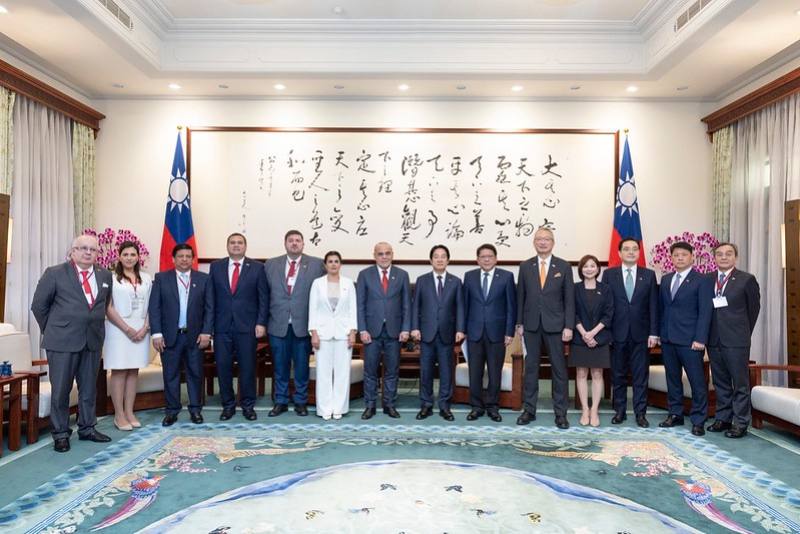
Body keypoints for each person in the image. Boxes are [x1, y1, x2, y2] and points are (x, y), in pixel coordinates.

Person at [30, 235, 113, 452]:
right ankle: (60, 434)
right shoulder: (55, 273)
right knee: (61, 390)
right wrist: (54, 330)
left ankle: (87, 428)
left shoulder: (105, 275)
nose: (88, 253)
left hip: (92, 340)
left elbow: (102, 306)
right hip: (62, 341)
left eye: (93, 250)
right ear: (73, 252)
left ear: (97, 254)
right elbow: (39, 306)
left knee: (88, 388)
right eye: (83, 248)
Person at [515, 227, 574, 429]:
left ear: (553, 242)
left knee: (559, 371)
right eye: (539, 239)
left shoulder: (564, 266)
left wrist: (569, 326)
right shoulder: (525, 266)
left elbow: (569, 300)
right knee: (531, 369)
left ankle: (561, 413)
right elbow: (520, 297)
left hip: (556, 326)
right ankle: (529, 410)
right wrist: (519, 323)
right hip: (531, 326)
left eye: (546, 239)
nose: (542, 242)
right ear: (534, 242)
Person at [149, 244, 214, 426]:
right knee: (170, 374)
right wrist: (156, 334)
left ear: (193, 259)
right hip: (170, 336)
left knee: (195, 373)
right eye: (180, 256)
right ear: (173, 259)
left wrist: (206, 332)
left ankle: (195, 410)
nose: (184, 259)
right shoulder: (162, 278)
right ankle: (172, 411)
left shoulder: (203, 279)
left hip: (195, 336)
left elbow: (210, 308)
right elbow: (155, 308)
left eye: (188, 256)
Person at [264, 230, 326, 417]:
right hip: (277, 323)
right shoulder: (271, 264)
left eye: (298, 240)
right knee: (280, 366)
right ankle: (280, 401)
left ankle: (300, 401)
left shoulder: (316, 264)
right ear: (285, 243)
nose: (294, 243)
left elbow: (322, 294)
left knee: (301, 366)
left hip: (303, 325)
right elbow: (264, 294)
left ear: (303, 244)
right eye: (290, 240)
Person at [209, 233, 268, 421]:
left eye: (239, 243)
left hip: (247, 327)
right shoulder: (216, 267)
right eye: (232, 243)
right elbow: (211, 299)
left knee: (247, 367)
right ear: (227, 246)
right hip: (222, 327)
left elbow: (263, 299)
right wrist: (209, 327)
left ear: (245, 246)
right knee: (223, 367)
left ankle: (248, 406)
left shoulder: (258, 268)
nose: (236, 246)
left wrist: (261, 323)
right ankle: (228, 405)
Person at [705, 243, 761, 438]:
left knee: (740, 383)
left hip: (736, 340)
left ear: (735, 257)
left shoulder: (746, 280)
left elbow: (753, 310)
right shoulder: (708, 279)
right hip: (713, 339)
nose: (723, 257)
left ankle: (740, 423)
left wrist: (742, 332)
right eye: (719, 254)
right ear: (714, 258)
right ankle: (723, 418)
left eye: (728, 254)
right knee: (720, 383)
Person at [658, 241, 713, 436]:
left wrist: (700, 338)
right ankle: (675, 414)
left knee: (697, 381)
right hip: (668, 339)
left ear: (692, 257)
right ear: (671, 258)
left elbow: (705, 311)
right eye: (676, 255)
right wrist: (658, 334)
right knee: (672, 379)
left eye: (683, 255)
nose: (679, 258)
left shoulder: (702, 280)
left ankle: (698, 420)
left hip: (691, 340)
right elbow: (662, 309)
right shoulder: (665, 279)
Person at [604, 237, 659, 428]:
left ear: (638, 253)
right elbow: (606, 306)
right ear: (619, 253)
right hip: (616, 334)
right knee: (617, 375)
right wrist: (607, 333)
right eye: (626, 249)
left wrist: (654, 333)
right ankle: (619, 411)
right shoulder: (609, 275)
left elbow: (653, 305)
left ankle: (640, 413)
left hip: (641, 335)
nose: (630, 252)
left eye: (634, 249)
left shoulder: (649, 275)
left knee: (640, 376)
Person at [356, 242, 411, 419]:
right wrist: (362, 329)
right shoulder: (365, 275)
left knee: (392, 371)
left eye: (387, 253)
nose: (384, 256)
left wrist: (405, 329)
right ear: (374, 256)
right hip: (371, 332)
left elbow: (406, 306)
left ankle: (389, 404)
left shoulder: (402, 275)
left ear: (392, 254)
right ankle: (370, 405)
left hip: (395, 332)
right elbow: (360, 305)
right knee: (370, 370)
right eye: (380, 254)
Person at [410, 244, 465, 421]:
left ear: (448, 260)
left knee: (446, 372)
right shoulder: (422, 280)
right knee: (425, 371)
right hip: (425, 334)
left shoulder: (455, 282)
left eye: (443, 256)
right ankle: (426, 405)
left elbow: (460, 308)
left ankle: (444, 405)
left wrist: (460, 329)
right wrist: (415, 327)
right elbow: (415, 306)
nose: (440, 259)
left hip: (447, 333)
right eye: (436, 256)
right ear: (431, 260)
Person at [463, 244, 516, 422]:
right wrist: (462, 330)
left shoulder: (507, 277)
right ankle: (476, 407)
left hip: (497, 333)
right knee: (475, 372)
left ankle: (493, 407)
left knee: (495, 372)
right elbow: (464, 306)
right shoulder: (469, 277)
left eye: (490, 256)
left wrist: (509, 332)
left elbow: (511, 307)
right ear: (477, 259)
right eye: (483, 256)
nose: (486, 259)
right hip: (474, 332)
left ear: (496, 258)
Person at [103, 241, 152, 431]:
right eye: (126, 254)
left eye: (133, 254)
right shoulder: (112, 277)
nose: (129, 258)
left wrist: (145, 327)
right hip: (118, 329)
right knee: (120, 371)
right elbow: (108, 307)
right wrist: (127, 329)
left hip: (141, 328)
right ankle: (119, 415)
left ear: (139, 257)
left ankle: (130, 411)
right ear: (119, 257)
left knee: (133, 371)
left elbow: (151, 304)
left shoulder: (146, 278)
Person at [308, 251, 358, 420]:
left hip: (343, 333)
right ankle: (324, 408)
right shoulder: (317, 284)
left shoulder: (348, 283)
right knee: (323, 373)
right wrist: (313, 332)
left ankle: (339, 408)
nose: (333, 264)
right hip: (322, 333)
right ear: (325, 264)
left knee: (343, 373)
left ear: (340, 264)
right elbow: (312, 309)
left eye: (336, 261)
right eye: (330, 261)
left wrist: (352, 332)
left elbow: (352, 310)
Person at [571, 255, 613, 427]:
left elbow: (609, 314)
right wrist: (584, 334)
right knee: (581, 374)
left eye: (592, 265)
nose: (589, 268)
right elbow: (571, 312)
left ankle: (594, 409)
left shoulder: (606, 289)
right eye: (585, 266)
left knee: (597, 374)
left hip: (600, 338)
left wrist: (593, 334)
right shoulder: (574, 288)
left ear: (597, 269)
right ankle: (585, 409)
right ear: (581, 269)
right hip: (579, 337)